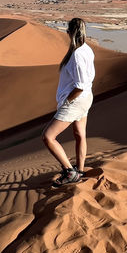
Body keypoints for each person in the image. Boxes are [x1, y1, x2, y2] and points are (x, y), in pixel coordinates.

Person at [42, 17, 95, 187]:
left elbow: (79, 85)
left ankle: (69, 171)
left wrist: (67, 101)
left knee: (48, 137)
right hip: (86, 98)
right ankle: (79, 169)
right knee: (80, 135)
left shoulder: (78, 54)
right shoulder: (87, 49)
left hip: (76, 100)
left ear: (70, 33)